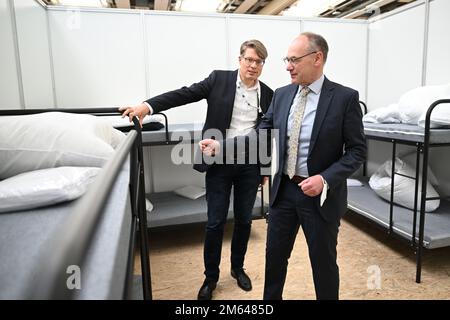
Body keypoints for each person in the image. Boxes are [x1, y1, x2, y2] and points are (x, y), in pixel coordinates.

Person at [120, 40, 274, 300]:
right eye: (249, 59)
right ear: (240, 59)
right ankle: (210, 278)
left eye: (258, 62)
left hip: (250, 164)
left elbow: (267, 133)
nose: (253, 66)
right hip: (219, 161)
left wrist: (265, 168)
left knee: (245, 220)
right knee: (214, 223)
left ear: (263, 65)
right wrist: (148, 106)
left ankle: (238, 268)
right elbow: (184, 93)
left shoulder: (268, 94)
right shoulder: (219, 80)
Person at [258, 32, 366, 300]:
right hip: (283, 192)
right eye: (287, 59)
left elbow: (357, 150)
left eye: (294, 59)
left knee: (323, 264)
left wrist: (325, 179)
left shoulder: (344, 98)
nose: (287, 66)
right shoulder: (282, 94)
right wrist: (224, 147)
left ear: (317, 58)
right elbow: (262, 132)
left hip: (321, 197)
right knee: (274, 261)